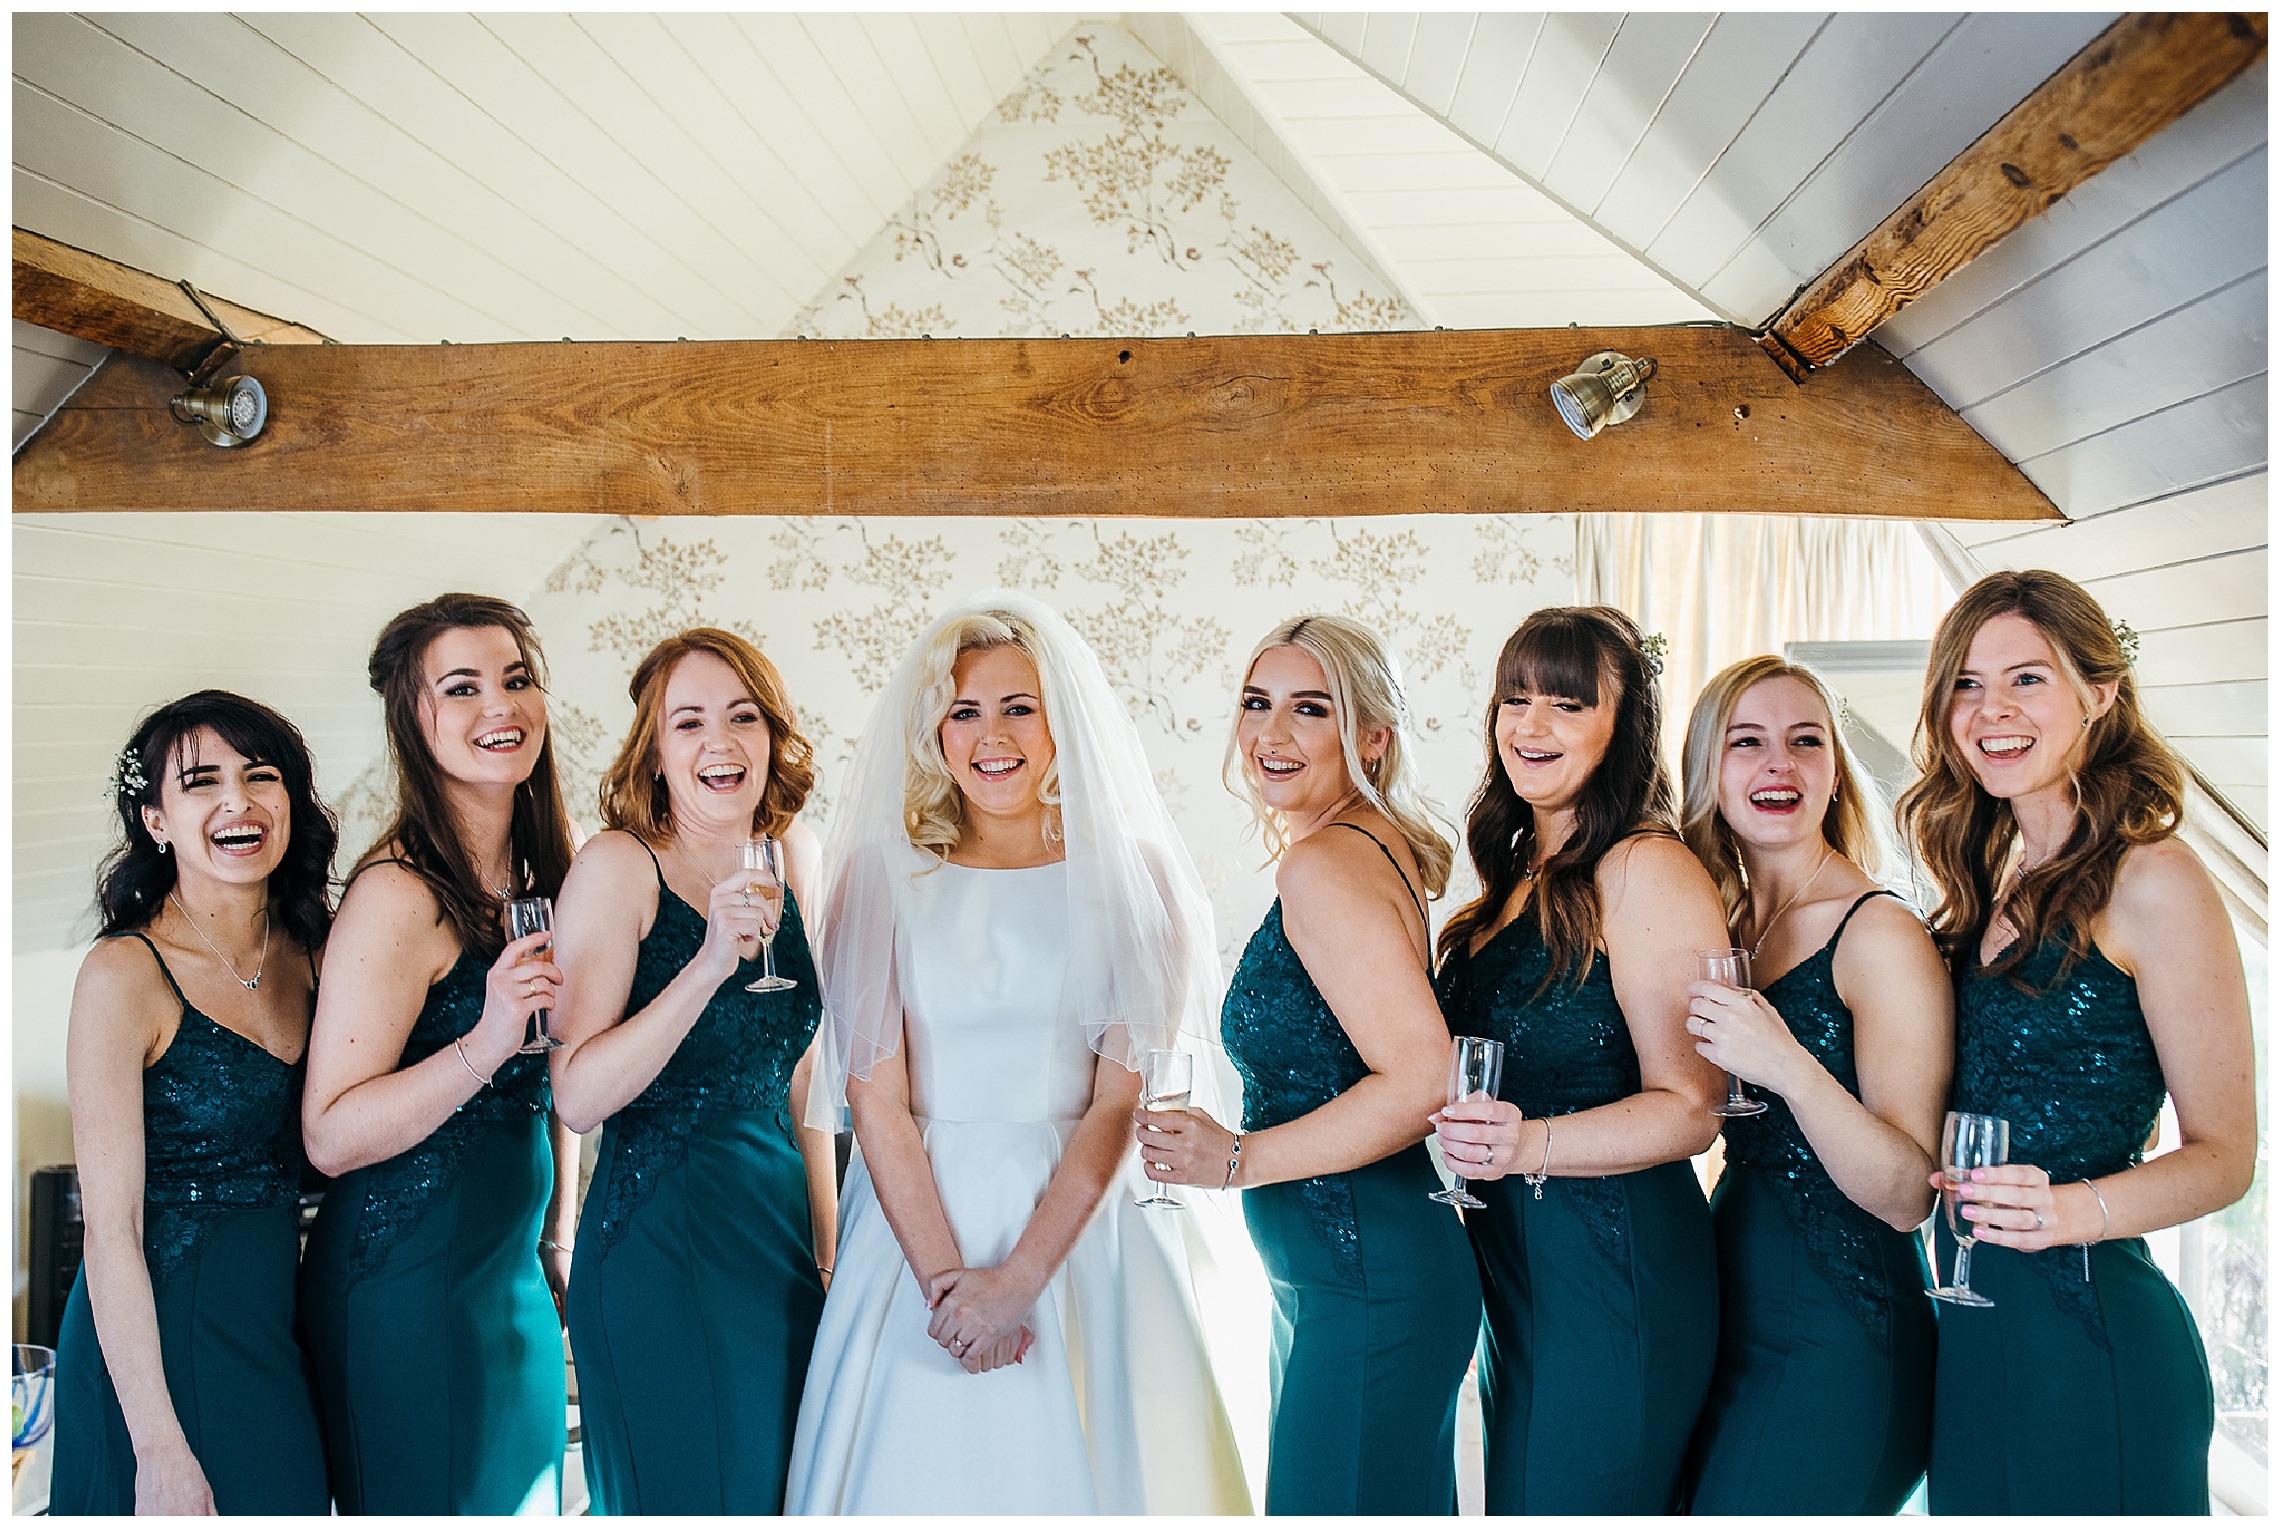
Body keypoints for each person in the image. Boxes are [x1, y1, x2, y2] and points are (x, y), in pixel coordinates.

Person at [786, 593, 1247, 1515]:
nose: (989, 734)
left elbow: (1120, 1104)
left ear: (1059, 719)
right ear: (934, 730)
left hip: (1080, 1234)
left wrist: (1019, 1285)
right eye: (963, 710)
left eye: (1017, 706)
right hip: (918, 1233)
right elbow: (875, 1102)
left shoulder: (1133, 876)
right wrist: (953, 1293)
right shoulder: (881, 876)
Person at [1901, 570, 2253, 1514]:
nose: (1989, 711)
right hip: (1975, 1336)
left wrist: (2064, 1213)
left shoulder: (2154, 878)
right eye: (1966, 684)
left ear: (2100, 693)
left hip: (2093, 1341)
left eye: (2027, 679)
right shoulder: (1994, 875)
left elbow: (2227, 1158)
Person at [1139, 613, 1477, 1515]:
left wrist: (1238, 1158)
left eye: (1310, 709)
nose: (1271, 735)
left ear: (1372, 737)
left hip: (1370, 1280)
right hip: (1343, 1277)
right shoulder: (1350, 846)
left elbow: (1423, 1078)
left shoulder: (1324, 865)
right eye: (1257, 703)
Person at [1429, 606, 1726, 1514]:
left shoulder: (1648, 870)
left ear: (1621, 726)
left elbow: (1693, 1105)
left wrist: (1521, 1147)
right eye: (1515, 699)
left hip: (1616, 1262)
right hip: (1517, 1263)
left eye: (1565, 703)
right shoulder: (1511, 876)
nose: (1531, 725)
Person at [298, 593, 579, 1514]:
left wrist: (558, 1232)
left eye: (517, 679)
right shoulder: (397, 893)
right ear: (414, 726)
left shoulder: (548, 878)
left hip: (512, 1283)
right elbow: (331, 1136)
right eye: (462, 689)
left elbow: (551, 1083)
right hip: (403, 1293)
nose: (501, 706)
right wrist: (487, 1039)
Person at [549, 629, 837, 1514]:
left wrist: (828, 1245)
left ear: (771, 737)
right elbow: (579, 1092)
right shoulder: (617, 867)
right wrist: (708, 961)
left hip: (778, 1237)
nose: (720, 742)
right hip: (660, 1246)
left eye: (742, 716)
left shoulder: (800, 855)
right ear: (657, 750)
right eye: (690, 722)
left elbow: (805, 1076)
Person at [1673, 657, 1950, 1512]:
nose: (1778, 766)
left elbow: (1909, 1194)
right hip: (1735, 1309)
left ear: (1835, 769)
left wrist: (1786, 1062)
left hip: (1842, 1332)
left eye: (1805, 741)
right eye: (1746, 742)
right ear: (1709, 771)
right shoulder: (1728, 921)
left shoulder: (1881, 932)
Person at [52, 692, 336, 1515]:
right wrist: (157, 1445)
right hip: (146, 1345)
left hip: (273, 1329)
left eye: (260, 775)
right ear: (156, 821)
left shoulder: (319, 950)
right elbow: (112, 1228)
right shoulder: (123, 976)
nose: (236, 802)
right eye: (202, 782)